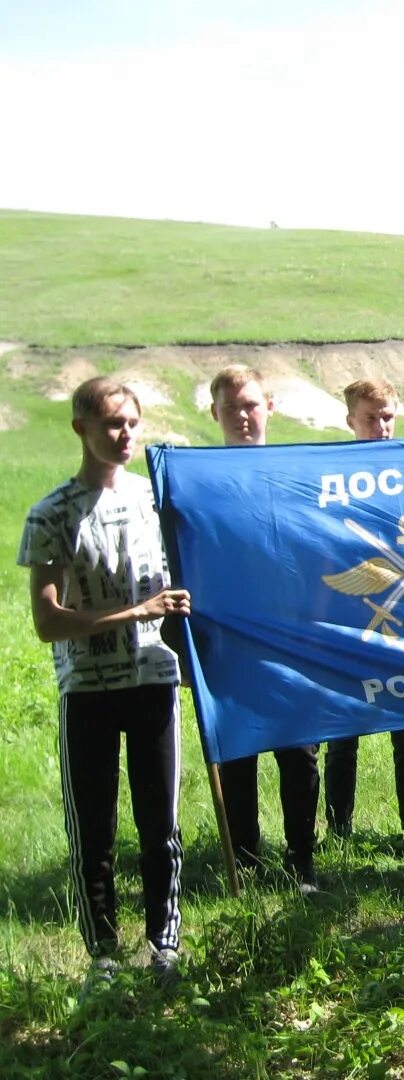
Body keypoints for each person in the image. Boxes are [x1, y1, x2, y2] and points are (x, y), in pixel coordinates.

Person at [19, 376, 190, 987]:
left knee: (159, 823)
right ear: (81, 429)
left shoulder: (156, 501)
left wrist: (180, 625)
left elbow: (179, 589)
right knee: (94, 827)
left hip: (154, 682)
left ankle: (165, 945)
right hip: (87, 689)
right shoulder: (52, 514)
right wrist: (134, 614)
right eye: (112, 423)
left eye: (131, 422)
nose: (124, 435)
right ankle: (104, 956)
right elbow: (47, 622)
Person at [210, 365, 322, 894]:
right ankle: (247, 862)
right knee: (238, 753)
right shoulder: (201, 481)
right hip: (230, 642)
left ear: (269, 407)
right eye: (231, 407)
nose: (242, 415)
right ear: (215, 414)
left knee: (299, 752)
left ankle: (302, 861)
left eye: (250, 404)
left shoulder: (294, 473)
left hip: (293, 637)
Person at [322, 378, 404, 865]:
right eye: (371, 417)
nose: (382, 425)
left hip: (402, 626)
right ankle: (339, 832)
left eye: (388, 415)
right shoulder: (330, 479)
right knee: (341, 733)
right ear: (351, 420)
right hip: (349, 623)